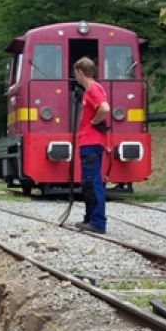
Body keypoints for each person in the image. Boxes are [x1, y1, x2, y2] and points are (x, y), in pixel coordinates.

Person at [73, 57, 111, 234]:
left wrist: (94, 122)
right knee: (88, 182)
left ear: (80, 72)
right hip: (89, 141)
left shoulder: (93, 89)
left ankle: (97, 222)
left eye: (76, 73)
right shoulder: (93, 88)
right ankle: (90, 218)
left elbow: (104, 108)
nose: (76, 77)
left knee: (93, 181)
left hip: (91, 141)